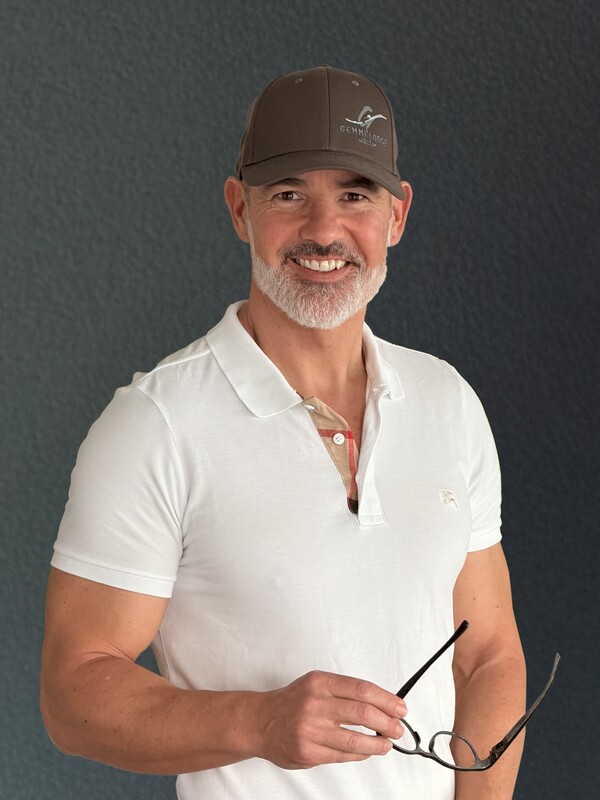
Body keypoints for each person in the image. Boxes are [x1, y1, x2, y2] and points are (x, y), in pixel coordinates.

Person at [41, 65, 527, 799]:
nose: (324, 231)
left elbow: (487, 654)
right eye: (289, 195)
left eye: (355, 195)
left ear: (397, 216)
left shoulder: (446, 401)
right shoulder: (156, 425)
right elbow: (72, 692)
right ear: (240, 209)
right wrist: (259, 722)